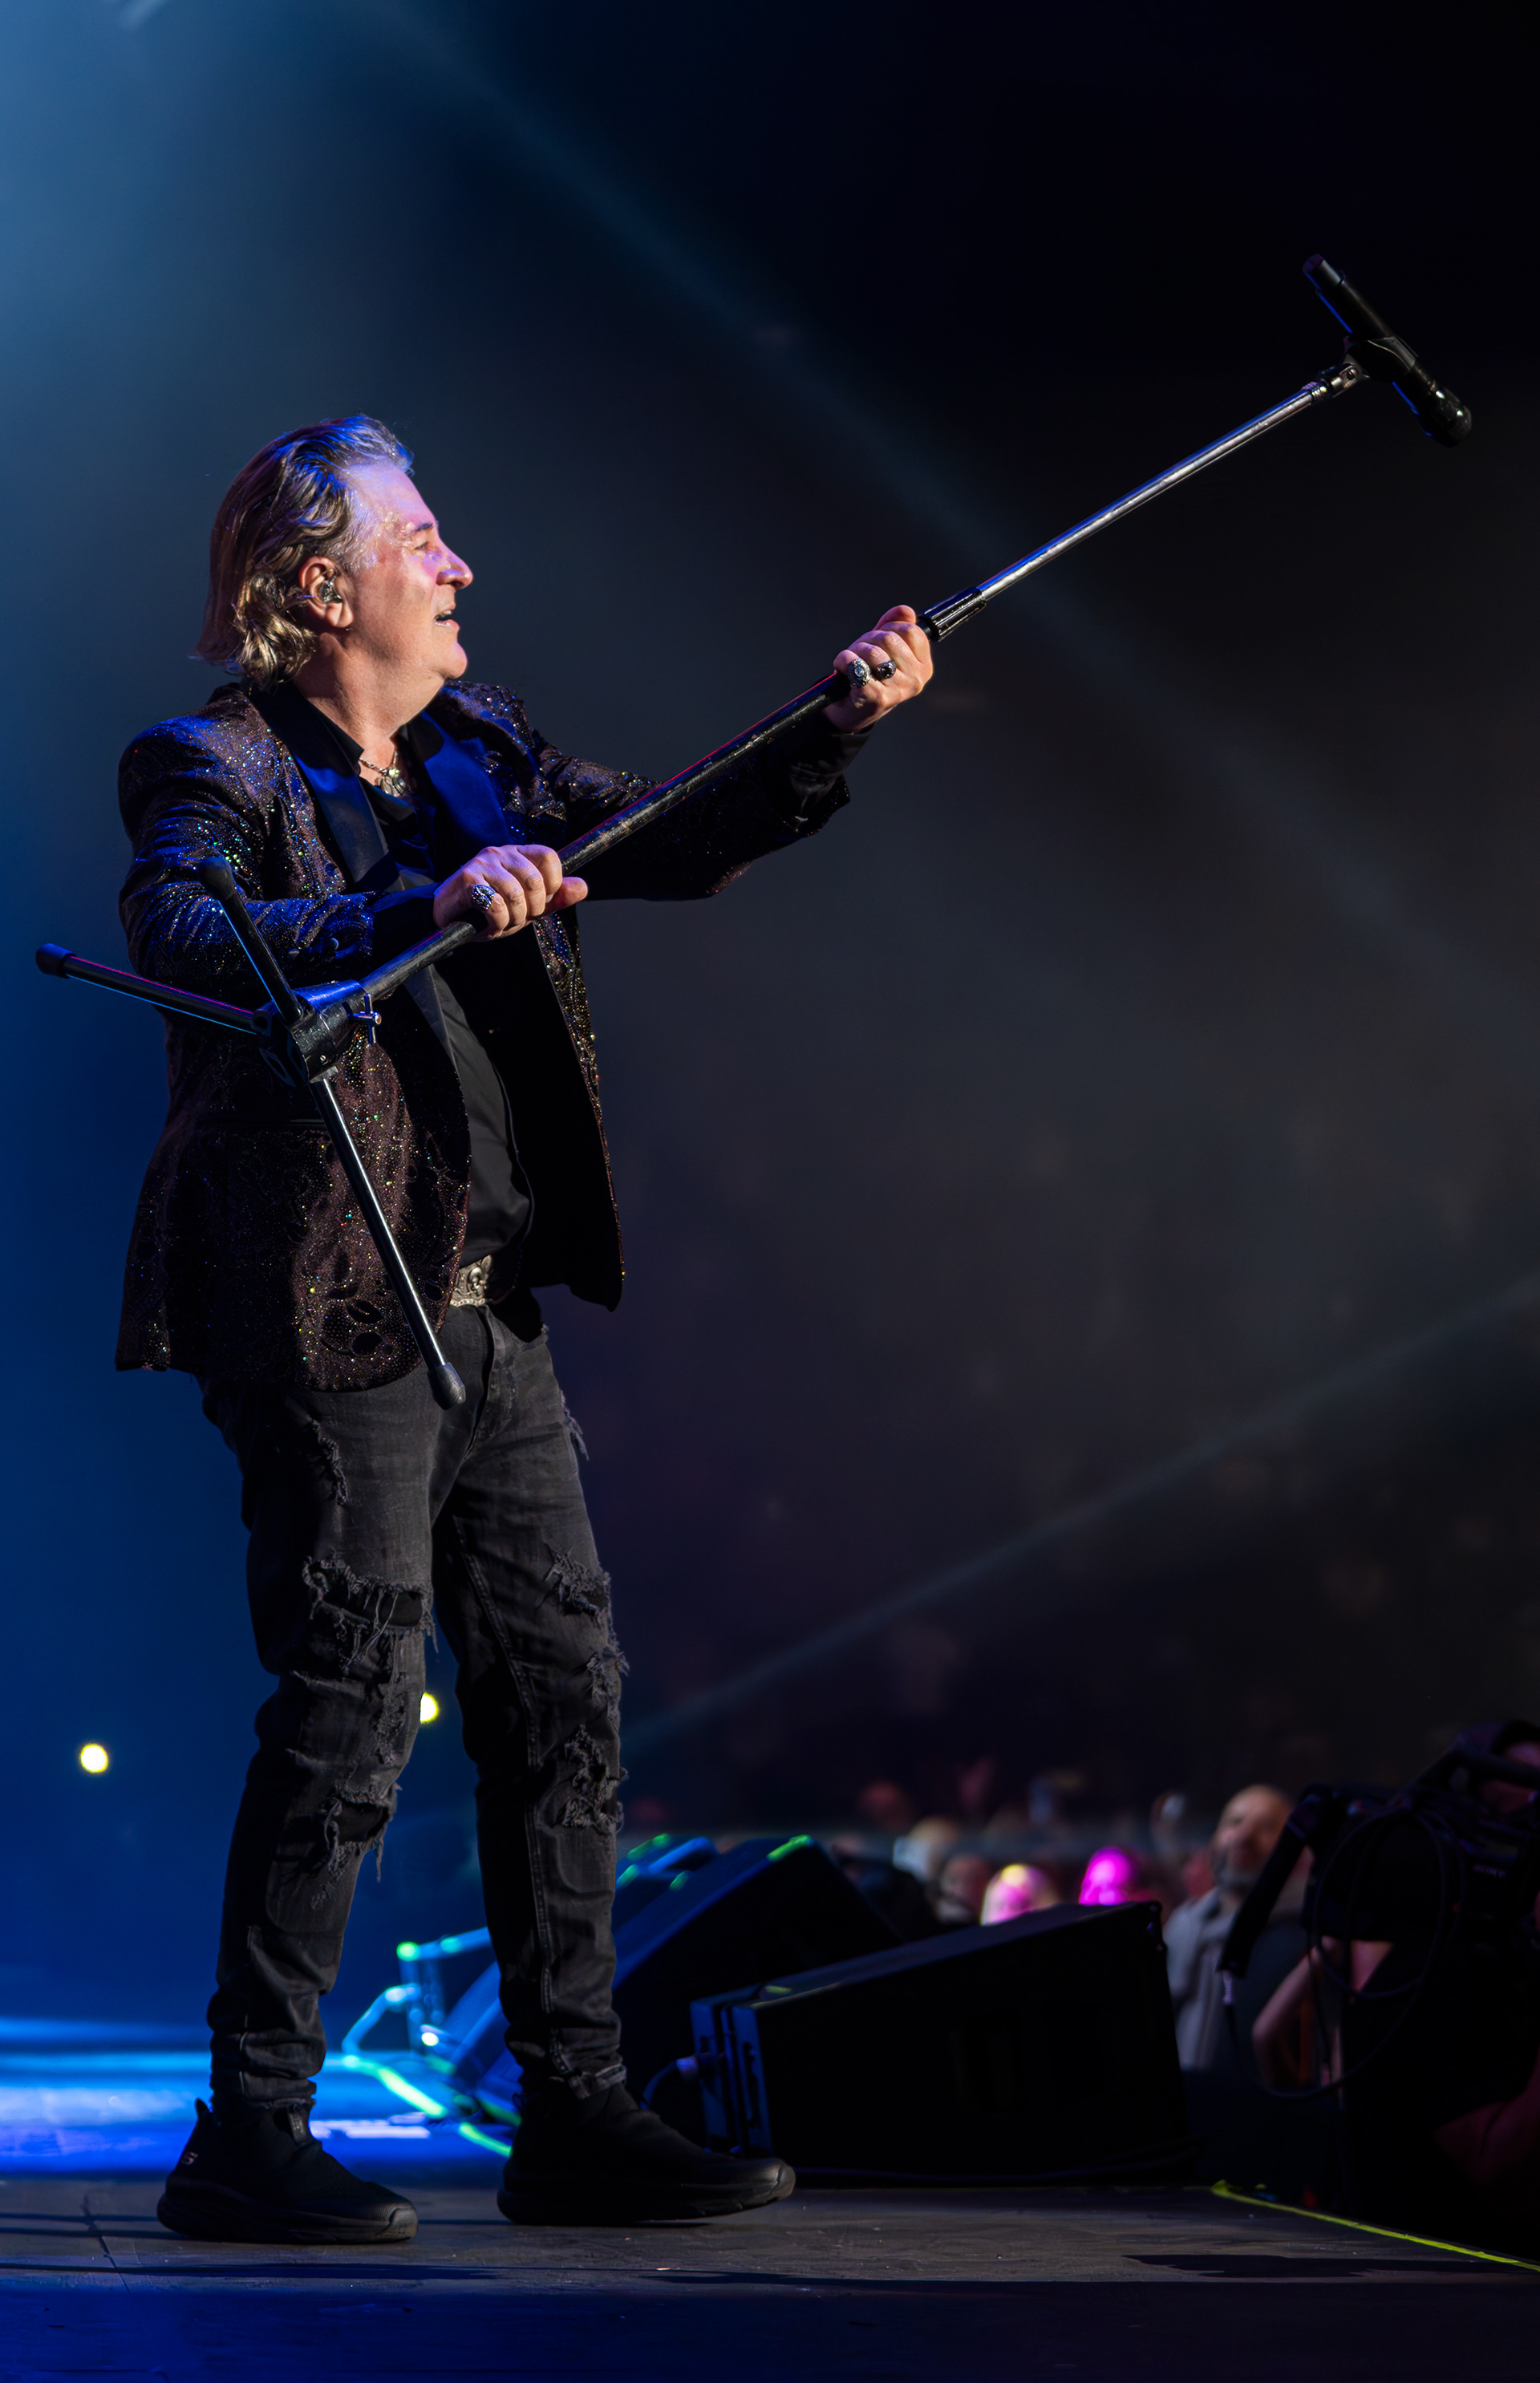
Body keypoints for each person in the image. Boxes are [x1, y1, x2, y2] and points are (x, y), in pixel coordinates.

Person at [119, 415, 932, 2243]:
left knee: (565, 1702)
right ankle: (248, 2130)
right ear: (324, 584)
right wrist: (410, 903)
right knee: (348, 1711)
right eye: (422, 538)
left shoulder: (477, 750)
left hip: (495, 1314)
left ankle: (573, 2106)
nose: (458, 564)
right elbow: (180, 925)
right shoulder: (211, 759)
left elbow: (667, 833)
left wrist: (831, 727)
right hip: (333, 1314)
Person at [1164, 1784, 1299, 2072]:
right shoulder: (1183, 1924)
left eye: (1266, 1826)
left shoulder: (1297, 1936)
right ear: (1215, 1840)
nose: (1244, 1835)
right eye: (1235, 1822)